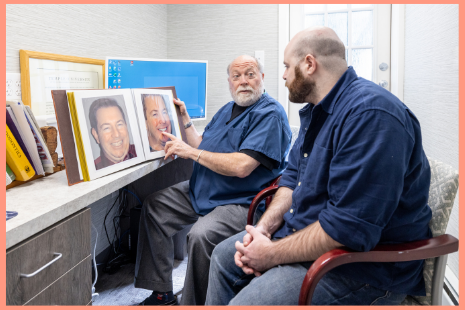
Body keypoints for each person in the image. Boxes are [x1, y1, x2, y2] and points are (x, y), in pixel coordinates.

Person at [205, 26, 432, 306]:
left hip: (359, 269)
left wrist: (271, 253)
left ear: (309, 64)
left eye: (288, 66)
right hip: (310, 237)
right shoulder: (317, 110)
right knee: (223, 257)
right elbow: (290, 179)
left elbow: (348, 228)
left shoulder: (372, 115)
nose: (285, 75)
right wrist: (264, 229)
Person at [134, 55, 292, 305]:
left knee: (200, 235)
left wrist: (190, 152)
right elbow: (202, 144)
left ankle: (195, 303)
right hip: (203, 190)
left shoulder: (269, 113)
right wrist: (184, 118)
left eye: (250, 74)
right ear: (229, 81)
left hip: (240, 200)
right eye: (236, 76)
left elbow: (242, 167)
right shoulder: (227, 109)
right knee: (155, 206)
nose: (243, 81)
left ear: (262, 77)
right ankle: (162, 292)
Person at [89, 97, 137, 170]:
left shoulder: (142, 152)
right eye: (106, 128)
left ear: (126, 126)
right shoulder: (93, 170)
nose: (116, 134)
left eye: (119, 124)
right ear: (96, 135)